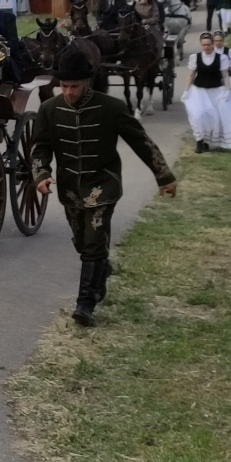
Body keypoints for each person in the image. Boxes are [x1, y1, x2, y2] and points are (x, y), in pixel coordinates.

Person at [32, 48, 177, 327]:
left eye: (74, 86)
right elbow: (41, 147)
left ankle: (85, 304)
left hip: (103, 184)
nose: (69, 91)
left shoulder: (111, 107)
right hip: (70, 187)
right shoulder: (49, 109)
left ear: (87, 81)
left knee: (94, 241)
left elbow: (141, 141)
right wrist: (41, 174)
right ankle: (102, 269)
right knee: (83, 242)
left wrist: (164, 175)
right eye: (64, 86)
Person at [182, 32, 231, 152]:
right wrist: (186, 90)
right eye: (204, 45)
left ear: (212, 45)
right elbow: (191, 75)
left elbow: (225, 76)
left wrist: (227, 90)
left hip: (216, 91)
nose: (206, 47)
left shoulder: (221, 58)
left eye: (208, 45)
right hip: (199, 91)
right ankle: (199, 141)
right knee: (198, 115)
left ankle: (207, 141)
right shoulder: (195, 58)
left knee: (214, 118)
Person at [212, 31, 231, 110]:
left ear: (223, 41)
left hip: (226, 75)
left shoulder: (230, 51)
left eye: (220, 41)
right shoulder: (211, 52)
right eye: (216, 41)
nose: (218, 43)